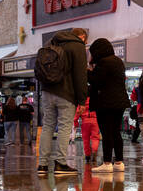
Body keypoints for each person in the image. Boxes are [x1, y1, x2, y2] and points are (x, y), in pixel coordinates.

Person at [37, 27, 88, 176]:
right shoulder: (77, 46)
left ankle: (42, 165)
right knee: (65, 127)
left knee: (48, 126)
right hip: (66, 93)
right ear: (82, 37)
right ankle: (60, 163)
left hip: (47, 91)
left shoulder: (50, 43)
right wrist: (82, 100)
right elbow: (80, 75)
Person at [87, 38, 128, 173]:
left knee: (106, 132)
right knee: (116, 131)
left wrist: (87, 71)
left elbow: (96, 81)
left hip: (106, 103)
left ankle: (106, 162)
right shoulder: (118, 62)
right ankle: (119, 162)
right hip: (120, 102)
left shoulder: (104, 62)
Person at [77, 97, 101, 165]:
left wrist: (75, 122)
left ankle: (87, 155)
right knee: (95, 138)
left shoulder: (82, 100)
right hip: (95, 121)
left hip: (85, 121)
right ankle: (94, 151)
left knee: (86, 140)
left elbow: (77, 112)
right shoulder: (96, 100)